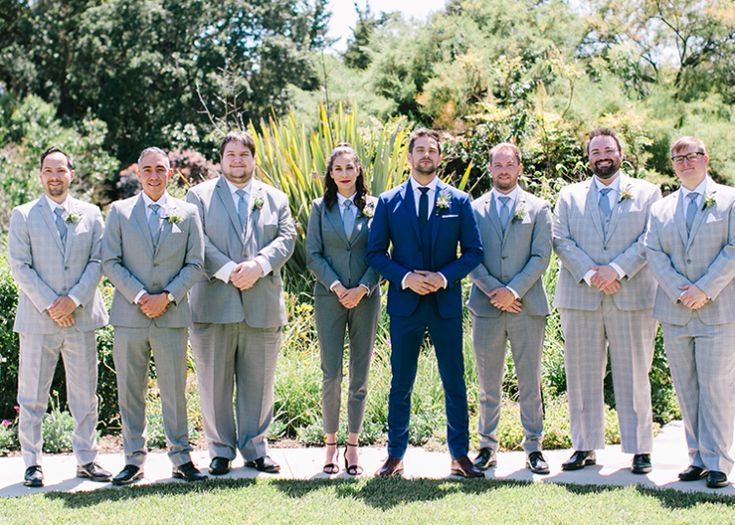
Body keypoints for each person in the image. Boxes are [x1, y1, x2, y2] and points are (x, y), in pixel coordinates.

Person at [367, 128, 484, 478]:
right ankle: (395, 455)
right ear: (409, 156)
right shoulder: (389, 201)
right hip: (405, 304)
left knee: (454, 380)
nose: (426, 156)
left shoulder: (458, 201)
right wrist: (406, 278)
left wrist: (443, 277)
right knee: (400, 382)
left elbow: (474, 252)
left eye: (432, 150)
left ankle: (460, 455)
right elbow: (375, 253)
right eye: (420, 150)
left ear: (439, 157)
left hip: (445, 303)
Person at [187, 131, 296, 475]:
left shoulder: (275, 198)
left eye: (243, 155)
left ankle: (255, 448)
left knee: (260, 383)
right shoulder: (199, 196)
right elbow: (195, 240)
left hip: (261, 303)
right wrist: (229, 271)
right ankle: (220, 450)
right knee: (213, 383)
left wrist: (259, 266)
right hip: (214, 303)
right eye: (230, 154)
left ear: (253, 159)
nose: (237, 161)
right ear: (220, 160)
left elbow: (287, 236)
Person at [553, 128, 661, 474]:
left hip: (630, 294)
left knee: (633, 373)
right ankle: (584, 445)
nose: (602, 156)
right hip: (580, 295)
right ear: (588, 157)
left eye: (608, 150)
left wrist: (615, 270)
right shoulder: (569, 196)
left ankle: (640, 448)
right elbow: (561, 239)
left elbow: (650, 238)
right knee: (582, 374)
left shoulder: (647, 192)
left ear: (620, 153)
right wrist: (590, 273)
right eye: (596, 151)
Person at [8, 147, 111, 488]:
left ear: (70, 173)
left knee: (85, 395)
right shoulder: (23, 215)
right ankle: (32, 464)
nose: (55, 176)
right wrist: (53, 304)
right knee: (32, 396)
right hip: (39, 320)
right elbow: (20, 266)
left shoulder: (91, 213)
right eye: (49, 171)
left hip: (81, 319)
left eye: (61, 170)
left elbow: (98, 262)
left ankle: (86, 459)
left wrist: (73, 300)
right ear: (41, 175)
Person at [102, 147, 206, 485]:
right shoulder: (119, 212)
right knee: (129, 388)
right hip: (130, 315)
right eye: (147, 169)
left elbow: (196, 264)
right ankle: (133, 460)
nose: (153, 175)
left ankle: (181, 457)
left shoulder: (187, 213)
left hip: (171, 315)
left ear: (170, 172)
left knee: (174, 389)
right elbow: (110, 262)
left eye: (160, 168)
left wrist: (168, 296)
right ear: (137, 173)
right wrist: (141, 295)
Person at [644, 136, 735, 489]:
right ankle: (697, 457)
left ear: (705, 159)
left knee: (716, 386)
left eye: (691, 156)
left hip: (718, 309)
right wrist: (681, 290)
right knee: (687, 387)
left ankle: (720, 462)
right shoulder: (661, 208)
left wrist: (704, 289)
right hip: (676, 309)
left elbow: (732, 249)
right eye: (678, 158)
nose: (685, 162)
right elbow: (654, 252)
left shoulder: (729, 200)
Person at [468, 143, 552, 475]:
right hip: (487, 307)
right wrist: (494, 290)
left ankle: (534, 447)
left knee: (529, 380)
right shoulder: (474, 208)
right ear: (489, 169)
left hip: (526, 306)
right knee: (489, 381)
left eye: (509, 164)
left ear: (519, 168)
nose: (503, 170)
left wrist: (513, 290)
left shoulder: (538, 207)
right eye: (497, 165)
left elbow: (541, 256)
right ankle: (487, 446)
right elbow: (470, 255)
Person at [305, 144, 381, 476]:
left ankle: (353, 447)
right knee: (331, 373)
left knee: (360, 374)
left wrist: (363, 287)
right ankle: (330, 446)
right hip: (329, 298)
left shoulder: (377, 207)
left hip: (366, 297)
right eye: (339, 169)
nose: (345, 174)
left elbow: (381, 252)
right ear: (330, 174)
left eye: (350, 168)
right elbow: (312, 255)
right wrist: (337, 287)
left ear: (359, 170)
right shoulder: (320, 208)